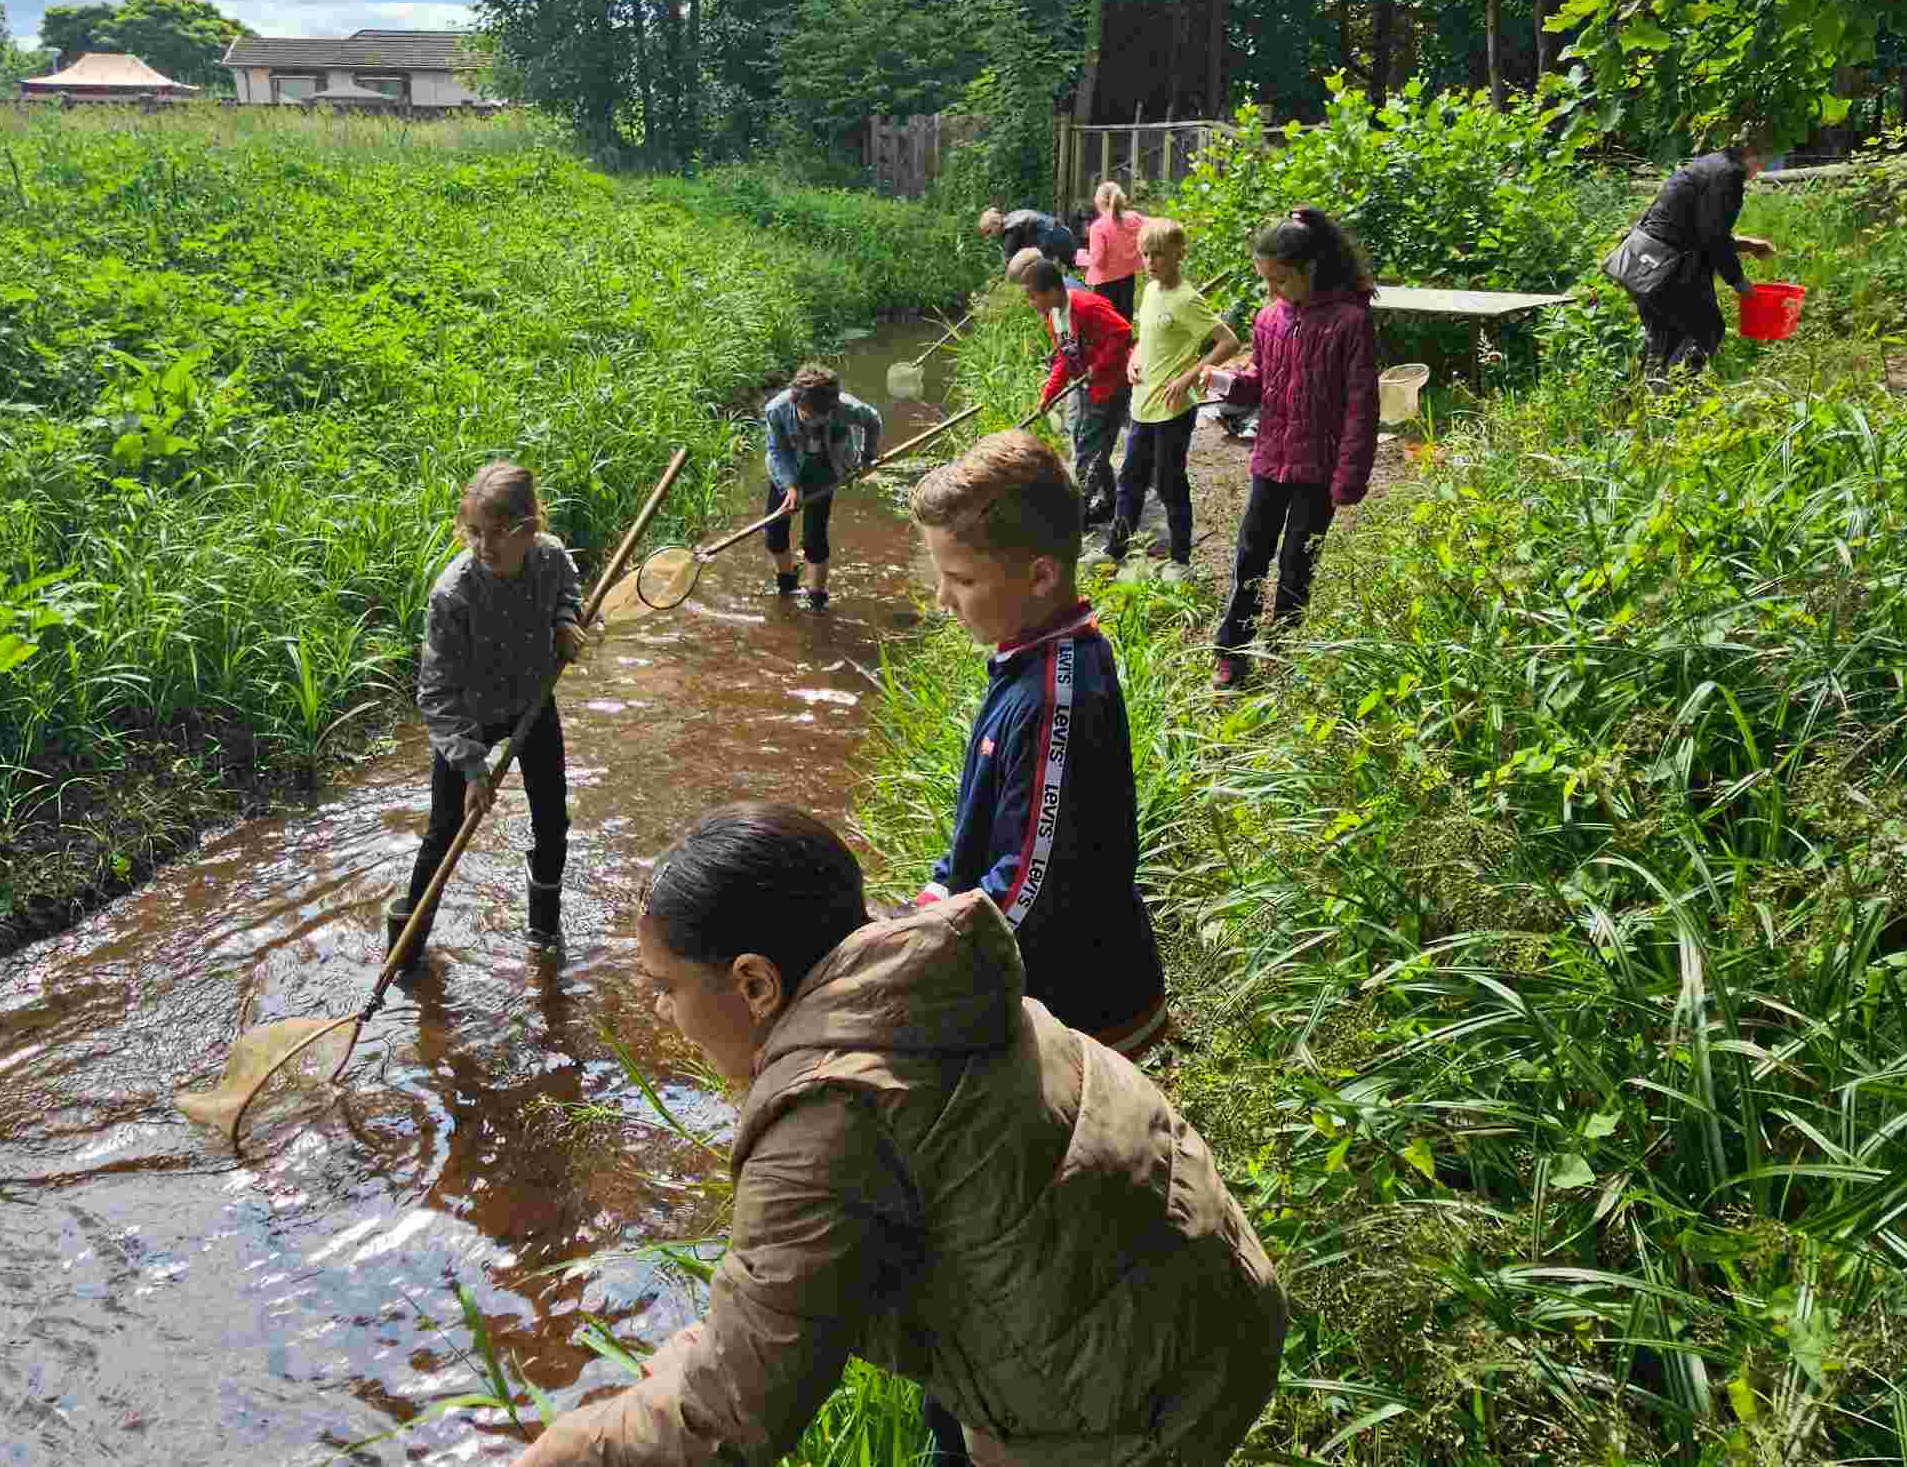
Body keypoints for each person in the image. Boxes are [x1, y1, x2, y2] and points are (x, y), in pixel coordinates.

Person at [517, 803, 1284, 1467]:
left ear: (755, 983)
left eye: (664, 987)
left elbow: (728, 1417)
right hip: (1202, 1280)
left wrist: (559, 1452)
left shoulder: (830, 1120)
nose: (659, 1014)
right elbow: (776, 1305)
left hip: (1146, 1396)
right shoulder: (914, 979)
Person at [900, 430, 1169, 1062]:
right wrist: (929, 903)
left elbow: (1026, 887)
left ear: (1041, 575)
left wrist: (912, 953)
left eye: (960, 580)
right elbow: (984, 835)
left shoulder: (1055, 697)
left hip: (1080, 1014)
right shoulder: (1028, 661)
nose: (944, 600)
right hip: (1041, 990)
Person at [399, 461, 592, 955]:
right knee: (445, 829)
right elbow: (436, 692)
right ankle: (406, 950)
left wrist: (566, 620)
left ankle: (544, 931)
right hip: (469, 714)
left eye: (497, 534)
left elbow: (569, 590)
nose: (484, 547)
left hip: (532, 704)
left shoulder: (549, 559)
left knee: (552, 819)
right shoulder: (454, 593)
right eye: (474, 533)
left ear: (530, 528)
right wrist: (471, 767)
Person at [1212, 207, 1377, 691]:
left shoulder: (1350, 322)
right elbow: (1262, 381)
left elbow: (1361, 407)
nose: (1272, 291)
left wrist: (1349, 475)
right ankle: (1233, 651)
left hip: (1318, 470)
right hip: (1271, 459)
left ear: (1310, 269)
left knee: (1297, 562)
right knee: (1249, 554)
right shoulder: (1269, 318)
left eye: (1280, 279)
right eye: (1266, 279)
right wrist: (1231, 383)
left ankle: (1282, 652)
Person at [1105, 219, 1225, 573]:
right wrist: (1133, 358)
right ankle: (1114, 551)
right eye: (1145, 255)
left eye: (1158, 254)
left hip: (1174, 408)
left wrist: (1189, 377)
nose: (1150, 262)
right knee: (1129, 480)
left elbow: (1227, 341)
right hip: (1143, 402)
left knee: (1170, 483)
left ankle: (1180, 560)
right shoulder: (1151, 291)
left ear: (1179, 254)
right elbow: (1145, 338)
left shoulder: (1187, 298)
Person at [1610, 131, 1782, 377]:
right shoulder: (1730, 175)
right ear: (1749, 154)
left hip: (1641, 260)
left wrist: (1749, 245)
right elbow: (1712, 237)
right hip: (1666, 266)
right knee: (1706, 329)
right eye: (1761, 159)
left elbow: (1696, 227)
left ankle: (1644, 398)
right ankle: (1678, 398)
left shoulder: (1709, 164)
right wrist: (1739, 282)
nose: (1762, 168)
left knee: (1663, 337)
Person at [1011, 250, 1132, 534]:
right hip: (1088, 388)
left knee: (1087, 451)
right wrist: (1048, 394)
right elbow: (1065, 359)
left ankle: (1077, 514)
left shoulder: (1086, 305)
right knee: (1084, 441)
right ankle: (1111, 502)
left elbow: (1122, 332)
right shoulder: (1054, 318)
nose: (1031, 303)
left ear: (1052, 291)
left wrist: (1099, 366)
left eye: (1033, 297)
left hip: (1109, 386)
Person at [760, 362, 884, 610]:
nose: (816, 421)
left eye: (823, 416)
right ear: (796, 404)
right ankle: (787, 582)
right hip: (787, 469)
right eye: (810, 416)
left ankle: (817, 596)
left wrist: (868, 457)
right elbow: (778, 450)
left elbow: (873, 421)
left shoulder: (847, 408)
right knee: (774, 532)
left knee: (814, 537)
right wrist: (791, 487)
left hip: (826, 470)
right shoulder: (776, 410)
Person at [1077, 180, 1150, 318]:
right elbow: (1153, 228)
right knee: (1125, 317)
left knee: (1106, 320)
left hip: (1105, 284)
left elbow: (1098, 261)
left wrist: (1081, 257)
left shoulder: (1098, 228)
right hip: (1128, 277)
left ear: (1099, 202)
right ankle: (1127, 340)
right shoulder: (1134, 218)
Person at [975, 205, 1077, 282]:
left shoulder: (1012, 229)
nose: (989, 237)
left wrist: (998, 278)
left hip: (1057, 240)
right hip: (1060, 235)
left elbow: (1008, 262)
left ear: (995, 224)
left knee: (1070, 274)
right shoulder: (1012, 219)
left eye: (988, 232)